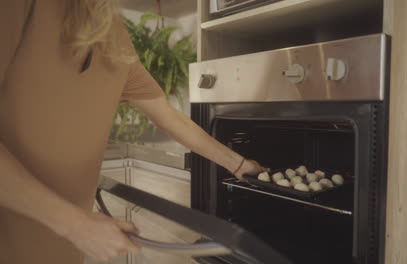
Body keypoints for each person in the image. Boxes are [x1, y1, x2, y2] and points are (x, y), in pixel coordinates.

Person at [0, 0, 268, 263]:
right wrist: (75, 225)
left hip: (61, 244)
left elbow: (170, 118)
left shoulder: (112, 33)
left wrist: (239, 164)